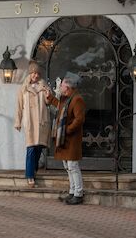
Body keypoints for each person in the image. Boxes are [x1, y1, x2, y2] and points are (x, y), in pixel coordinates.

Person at [46, 72, 86, 205]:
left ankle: (78, 194)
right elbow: (60, 107)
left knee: (73, 166)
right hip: (65, 139)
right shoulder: (67, 98)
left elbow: (79, 119)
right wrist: (50, 98)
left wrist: (67, 130)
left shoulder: (77, 99)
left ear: (68, 87)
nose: (60, 86)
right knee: (67, 166)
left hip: (71, 139)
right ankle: (72, 192)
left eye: (62, 84)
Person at [14, 61, 52, 188]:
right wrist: (18, 121)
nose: (36, 75)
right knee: (30, 148)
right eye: (34, 73)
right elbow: (19, 107)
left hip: (41, 121)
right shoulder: (23, 88)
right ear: (30, 73)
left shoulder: (44, 86)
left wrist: (48, 95)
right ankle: (30, 176)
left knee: (39, 148)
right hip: (30, 122)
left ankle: (33, 170)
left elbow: (48, 102)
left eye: (38, 73)